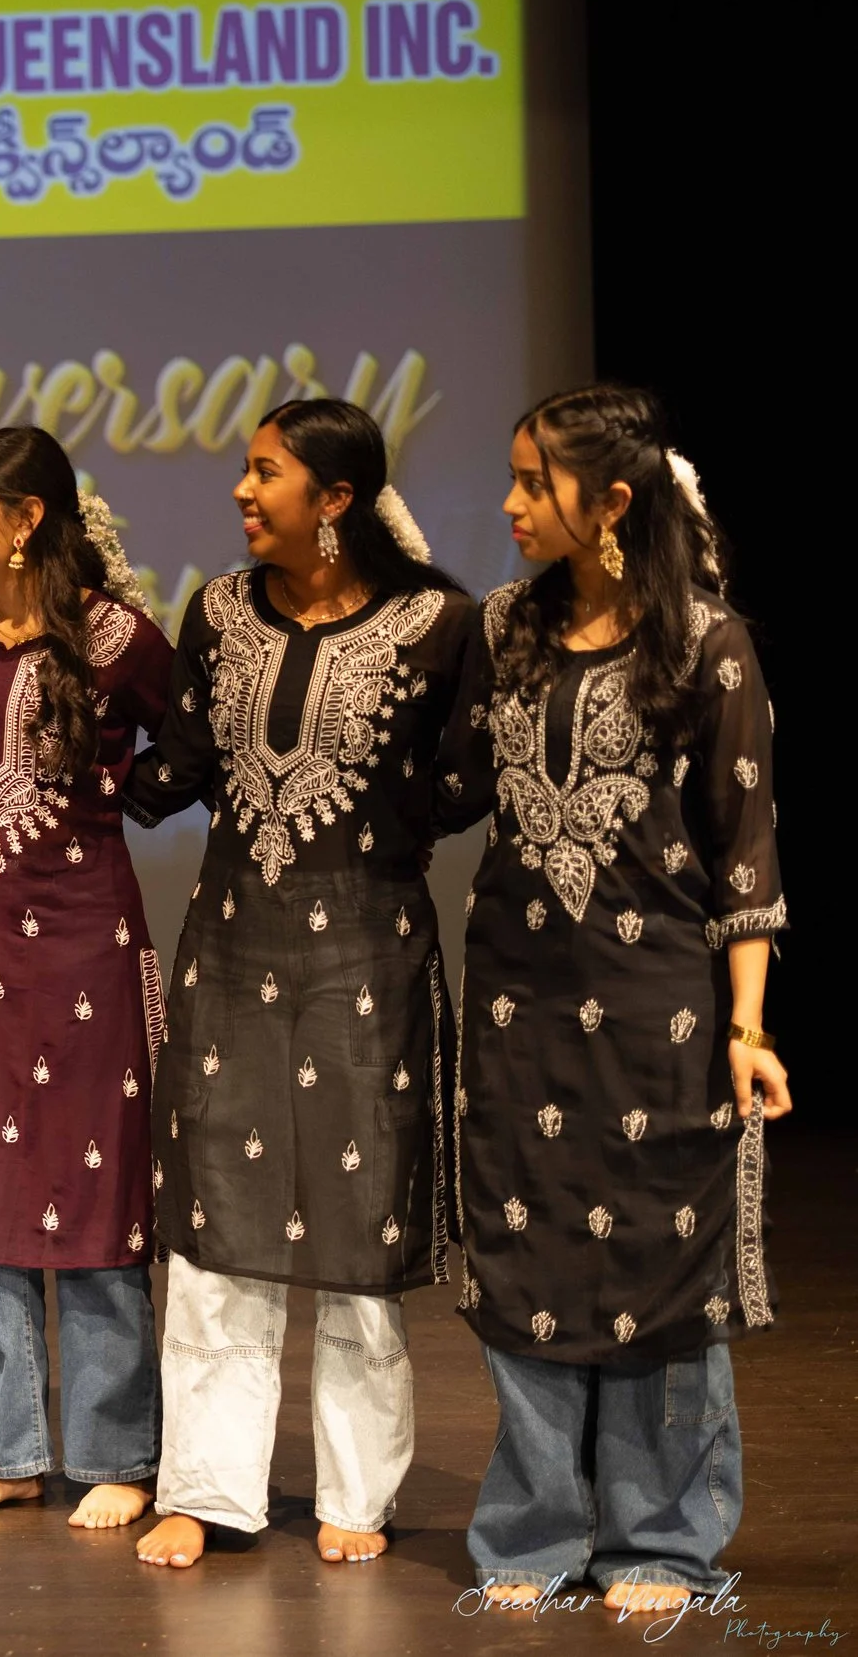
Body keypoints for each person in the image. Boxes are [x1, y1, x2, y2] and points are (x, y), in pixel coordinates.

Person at [436, 385, 789, 1616]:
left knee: (658, 1253)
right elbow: (453, 784)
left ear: (613, 502)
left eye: (533, 482)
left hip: (657, 1007)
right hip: (517, 1003)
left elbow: (745, 850)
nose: (510, 503)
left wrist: (745, 1028)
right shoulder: (504, 626)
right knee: (526, 1247)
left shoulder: (705, 642)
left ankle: (663, 1539)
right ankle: (534, 1531)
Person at [127, 399, 476, 1570]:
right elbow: (180, 763)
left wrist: (389, 835)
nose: (241, 488)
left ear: (334, 498)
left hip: (365, 954)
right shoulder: (218, 611)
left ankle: (355, 1489)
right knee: (217, 1218)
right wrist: (84, 761)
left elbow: (468, 771)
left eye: (264, 470)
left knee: (356, 1223)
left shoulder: (437, 623)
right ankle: (207, 1488)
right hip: (232, 948)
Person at [0, 428, 174, 1531]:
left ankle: (117, 1451)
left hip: (83, 939)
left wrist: (121, 789)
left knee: (97, 1186)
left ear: (26, 519)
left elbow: (196, 740)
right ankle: (8, 1451)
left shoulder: (117, 635)